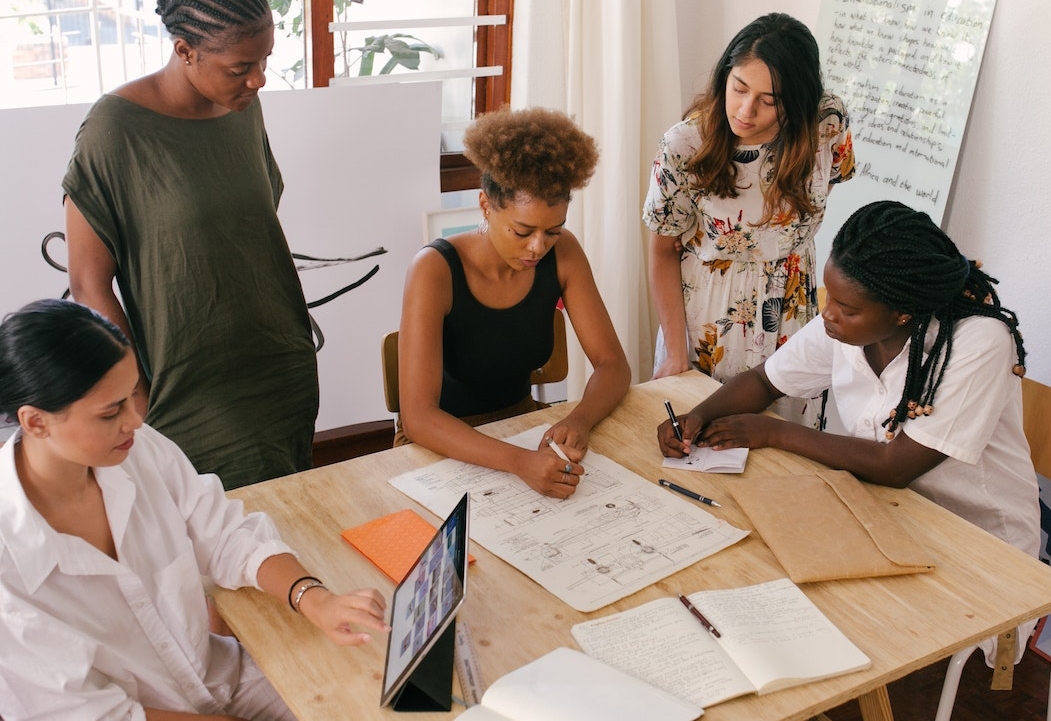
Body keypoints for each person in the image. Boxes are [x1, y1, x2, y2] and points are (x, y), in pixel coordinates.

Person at [658, 200, 1039, 657]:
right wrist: (698, 416)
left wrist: (774, 432)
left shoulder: (976, 343)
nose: (829, 314)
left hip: (977, 544)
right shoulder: (845, 325)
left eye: (847, 309)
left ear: (902, 313)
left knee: (814, 618)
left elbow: (895, 464)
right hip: (886, 512)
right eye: (829, 298)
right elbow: (764, 380)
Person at [0, 299, 388, 721]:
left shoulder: (136, 448)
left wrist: (313, 598)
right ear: (35, 422)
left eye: (132, 396)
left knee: (373, 697)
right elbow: (89, 715)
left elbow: (225, 535)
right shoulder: (10, 563)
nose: (135, 420)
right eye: (111, 412)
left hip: (225, 679)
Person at [63, 0, 318, 490]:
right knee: (211, 537)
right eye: (241, 67)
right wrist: (134, 393)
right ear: (185, 51)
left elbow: (244, 231)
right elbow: (87, 282)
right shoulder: (114, 130)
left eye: (265, 60)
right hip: (186, 385)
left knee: (287, 521)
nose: (259, 79)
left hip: (278, 363)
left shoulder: (243, 106)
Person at [397, 107, 631, 500]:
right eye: (522, 232)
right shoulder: (434, 269)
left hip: (521, 427)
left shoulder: (564, 253)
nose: (538, 247)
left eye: (552, 231)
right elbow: (419, 418)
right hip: (440, 444)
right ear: (486, 205)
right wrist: (520, 462)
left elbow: (613, 365)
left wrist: (580, 419)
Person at [644, 12, 857, 423]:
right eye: (738, 87)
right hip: (711, 317)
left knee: (787, 449)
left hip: (794, 311)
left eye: (769, 100)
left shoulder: (827, 122)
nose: (745, 110)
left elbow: (818, 196)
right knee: (702, 442)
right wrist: (674, 352)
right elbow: (661, 251)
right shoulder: (685, 145)